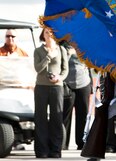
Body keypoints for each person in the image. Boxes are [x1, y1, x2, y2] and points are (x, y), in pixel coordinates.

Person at [33, 27, 68, 158]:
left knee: (56, 119)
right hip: (41, 87)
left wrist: (59, 78)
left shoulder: (62, 50)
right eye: (47, 32)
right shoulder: (38, 51)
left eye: (52, 32)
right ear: (43, 35)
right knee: (40, 118)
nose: (49, 34)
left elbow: (65, 70)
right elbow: (38, 69)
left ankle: (56, 151)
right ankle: (42, 151)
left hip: (57, 87)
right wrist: (48, 57)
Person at [61, 43, 92, 150]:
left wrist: (91, 85)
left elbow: (89, 65)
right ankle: (63, 143)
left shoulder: (82, 43)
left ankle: (82, 143)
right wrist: (68, 54)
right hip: (67, 84)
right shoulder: (62, 45)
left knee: (83, 114)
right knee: (65, 115)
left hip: (83, 83)